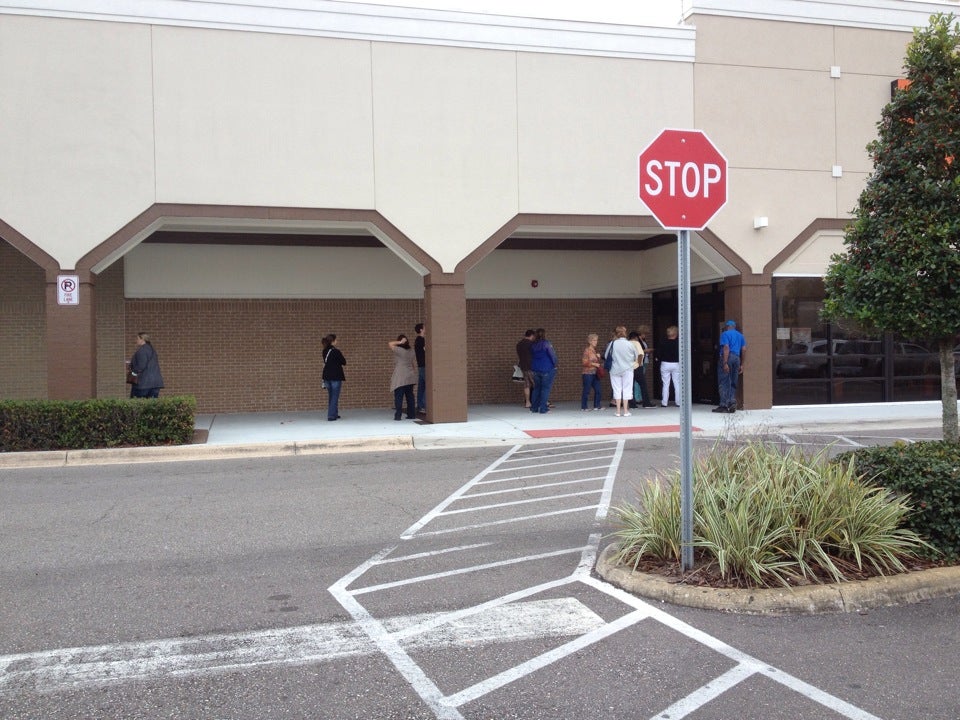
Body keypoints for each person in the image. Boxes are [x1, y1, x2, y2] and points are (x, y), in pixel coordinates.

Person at [716, 319, 747, 413]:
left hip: (728, 356)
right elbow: (744, 349)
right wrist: (742, 364)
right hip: (737, 358)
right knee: (733, 381)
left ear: (727, 327)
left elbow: (726, 347)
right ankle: (731, 401)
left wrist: (725, 362)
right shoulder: (741, 336)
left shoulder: (725, 334)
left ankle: (723, 405)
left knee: (724, 380)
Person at [608, 325, 639, 417]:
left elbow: (606, 356)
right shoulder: (630, 344)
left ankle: (618, 411)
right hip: (628, 369)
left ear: (616, 333)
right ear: (625, 333)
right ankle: (626, 411)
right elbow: (636, 356)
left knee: (617, 389)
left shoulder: (612, 344)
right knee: (627, 389)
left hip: (615, 369)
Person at [388, 335, 418, 421]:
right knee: (410, 396)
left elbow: (390, 344)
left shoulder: (400, 350)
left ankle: (398, 416)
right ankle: (411, 414)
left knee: (399, 396)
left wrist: (399, 342)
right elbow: (412, 363)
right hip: (410, 375)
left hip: (400, 377)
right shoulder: (411, 351)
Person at [127, 332, 164, 399]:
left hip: (143, 383)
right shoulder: (152, 350)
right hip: (155, 383)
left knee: (137, 403)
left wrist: (133, 372)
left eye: (138, 339)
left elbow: (140, 366)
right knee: (152, 404)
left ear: (142, 339)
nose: (136, 340)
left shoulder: (142, 351)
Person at [529, 328, 558, 413]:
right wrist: (555, 364)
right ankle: (543, 408)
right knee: (545, 389)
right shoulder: (546, 343)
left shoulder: (532, 345)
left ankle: (534, 408)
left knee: (536, 388)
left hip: (535, 369)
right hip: (547, 368)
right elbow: (552, 355)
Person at [321, 334, 346, 421]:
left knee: (331, 396)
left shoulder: (324, 351)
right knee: (335, 396)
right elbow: (344, 362)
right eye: (336, 340)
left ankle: (334, 413)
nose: (337, 341)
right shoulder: (336, 351)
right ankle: (331, 415)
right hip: (335, 376)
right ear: (333, 341)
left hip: (326, 376)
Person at [657, 325, 680, 407]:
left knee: (665, 384)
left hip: (665, 363)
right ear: (676, 334)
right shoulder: (679, 343)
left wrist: (659, 359)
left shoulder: (663, 342)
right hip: (676, 363)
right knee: (677, 383)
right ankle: (678, 402)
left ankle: (664, 402)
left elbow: (659, 354)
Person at [580, 333, 603, 411]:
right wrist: (594, 364)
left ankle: (597, 405)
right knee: (586, 390)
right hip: (587, 373)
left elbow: (597, 362)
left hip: (595, 373)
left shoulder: (594, 351)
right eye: (594, 340)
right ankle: (584, 407)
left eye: (596, 340)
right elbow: (584, 362)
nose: (596, 342)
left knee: (598, 390)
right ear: (590, 341)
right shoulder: (587, 350)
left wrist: (598, 358)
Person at [636, 326, 655, 408]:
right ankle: (637, 397)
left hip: (645, 360)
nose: (646, 335)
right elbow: (638, 351)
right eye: (645, 334)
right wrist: (646, 351)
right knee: (639, 380)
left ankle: (640, 397)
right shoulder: (638, 340)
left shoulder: (643, 340)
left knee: (641, 379)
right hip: (641, 361)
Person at [516, 329, 535, 408]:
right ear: (532, 335)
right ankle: (541, 401)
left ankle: (527, 402)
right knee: (536, 384)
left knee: (526, 384)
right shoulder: (531, 344)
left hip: (523, 366)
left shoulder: (519, 344)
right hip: (531, 366)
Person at [627, 331, 645, 409]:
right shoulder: (637, 343)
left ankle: (632, 404)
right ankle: (646, 402)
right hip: (637, 367)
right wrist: (639, 364)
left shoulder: (627, 343)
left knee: (630, 387)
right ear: (636, 337)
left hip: (628, 367)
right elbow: (640, 354)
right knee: (643, 385)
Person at [414, 323, 427, 415]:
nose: (426, 328)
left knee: (421, 386)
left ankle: (420, 406)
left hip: (420, 365)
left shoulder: (417, 340)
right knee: (428, 385)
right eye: (424, 327)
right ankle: (424, 405)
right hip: (424, 366)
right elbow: (427, 350)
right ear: (421, 330)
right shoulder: (421, 340)